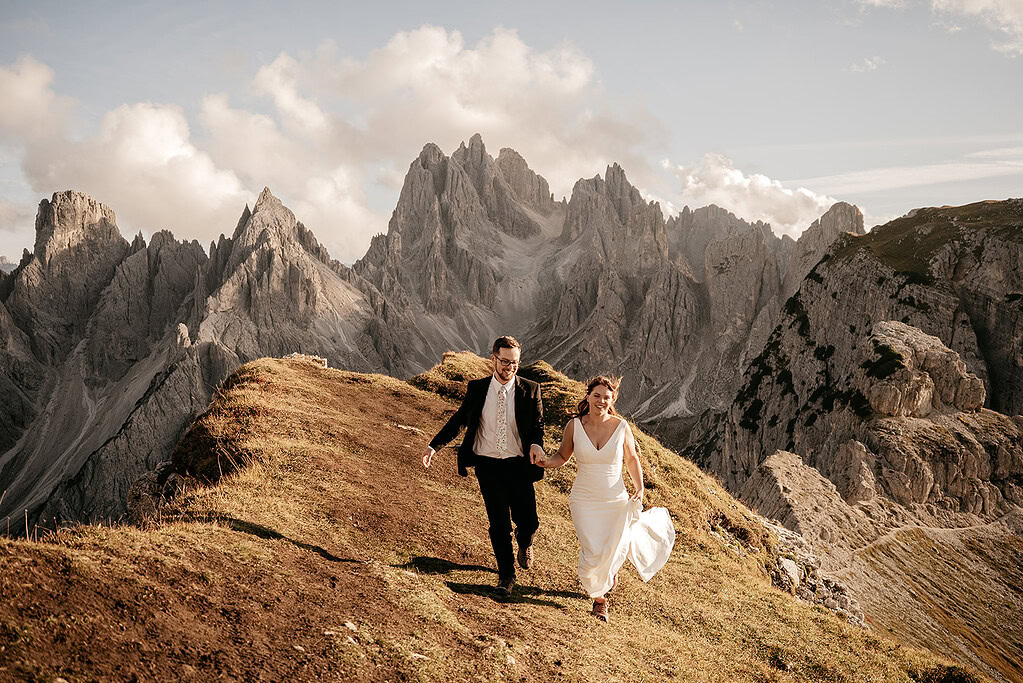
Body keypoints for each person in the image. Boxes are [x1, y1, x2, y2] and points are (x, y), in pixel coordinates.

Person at [538, 376, 675, 622]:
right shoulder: (574, 426)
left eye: (607, 397)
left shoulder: (621, 427)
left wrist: (640, 487)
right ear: (588, 396)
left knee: (613, 546)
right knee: (592, 550)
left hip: (614, 498)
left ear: (612, 400)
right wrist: (546, 462)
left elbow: (632, 459)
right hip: (584, 499)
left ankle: (604, 589)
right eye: (597, 395)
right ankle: (600, 598)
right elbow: (562, 455)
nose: (601, 401)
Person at [422, 336, 546, 597]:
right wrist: (435, 446)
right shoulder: (477, 389)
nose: (509, 367)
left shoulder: (531, 390)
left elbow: (537, 427)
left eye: (514, 363)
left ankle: (525, 542)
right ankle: (506, 576)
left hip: (519, 466)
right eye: (504, 362)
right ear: (493, 359)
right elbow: (459, 420)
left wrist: (536, 444)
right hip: (488, 467)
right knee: (498, 523)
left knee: (529, 521)